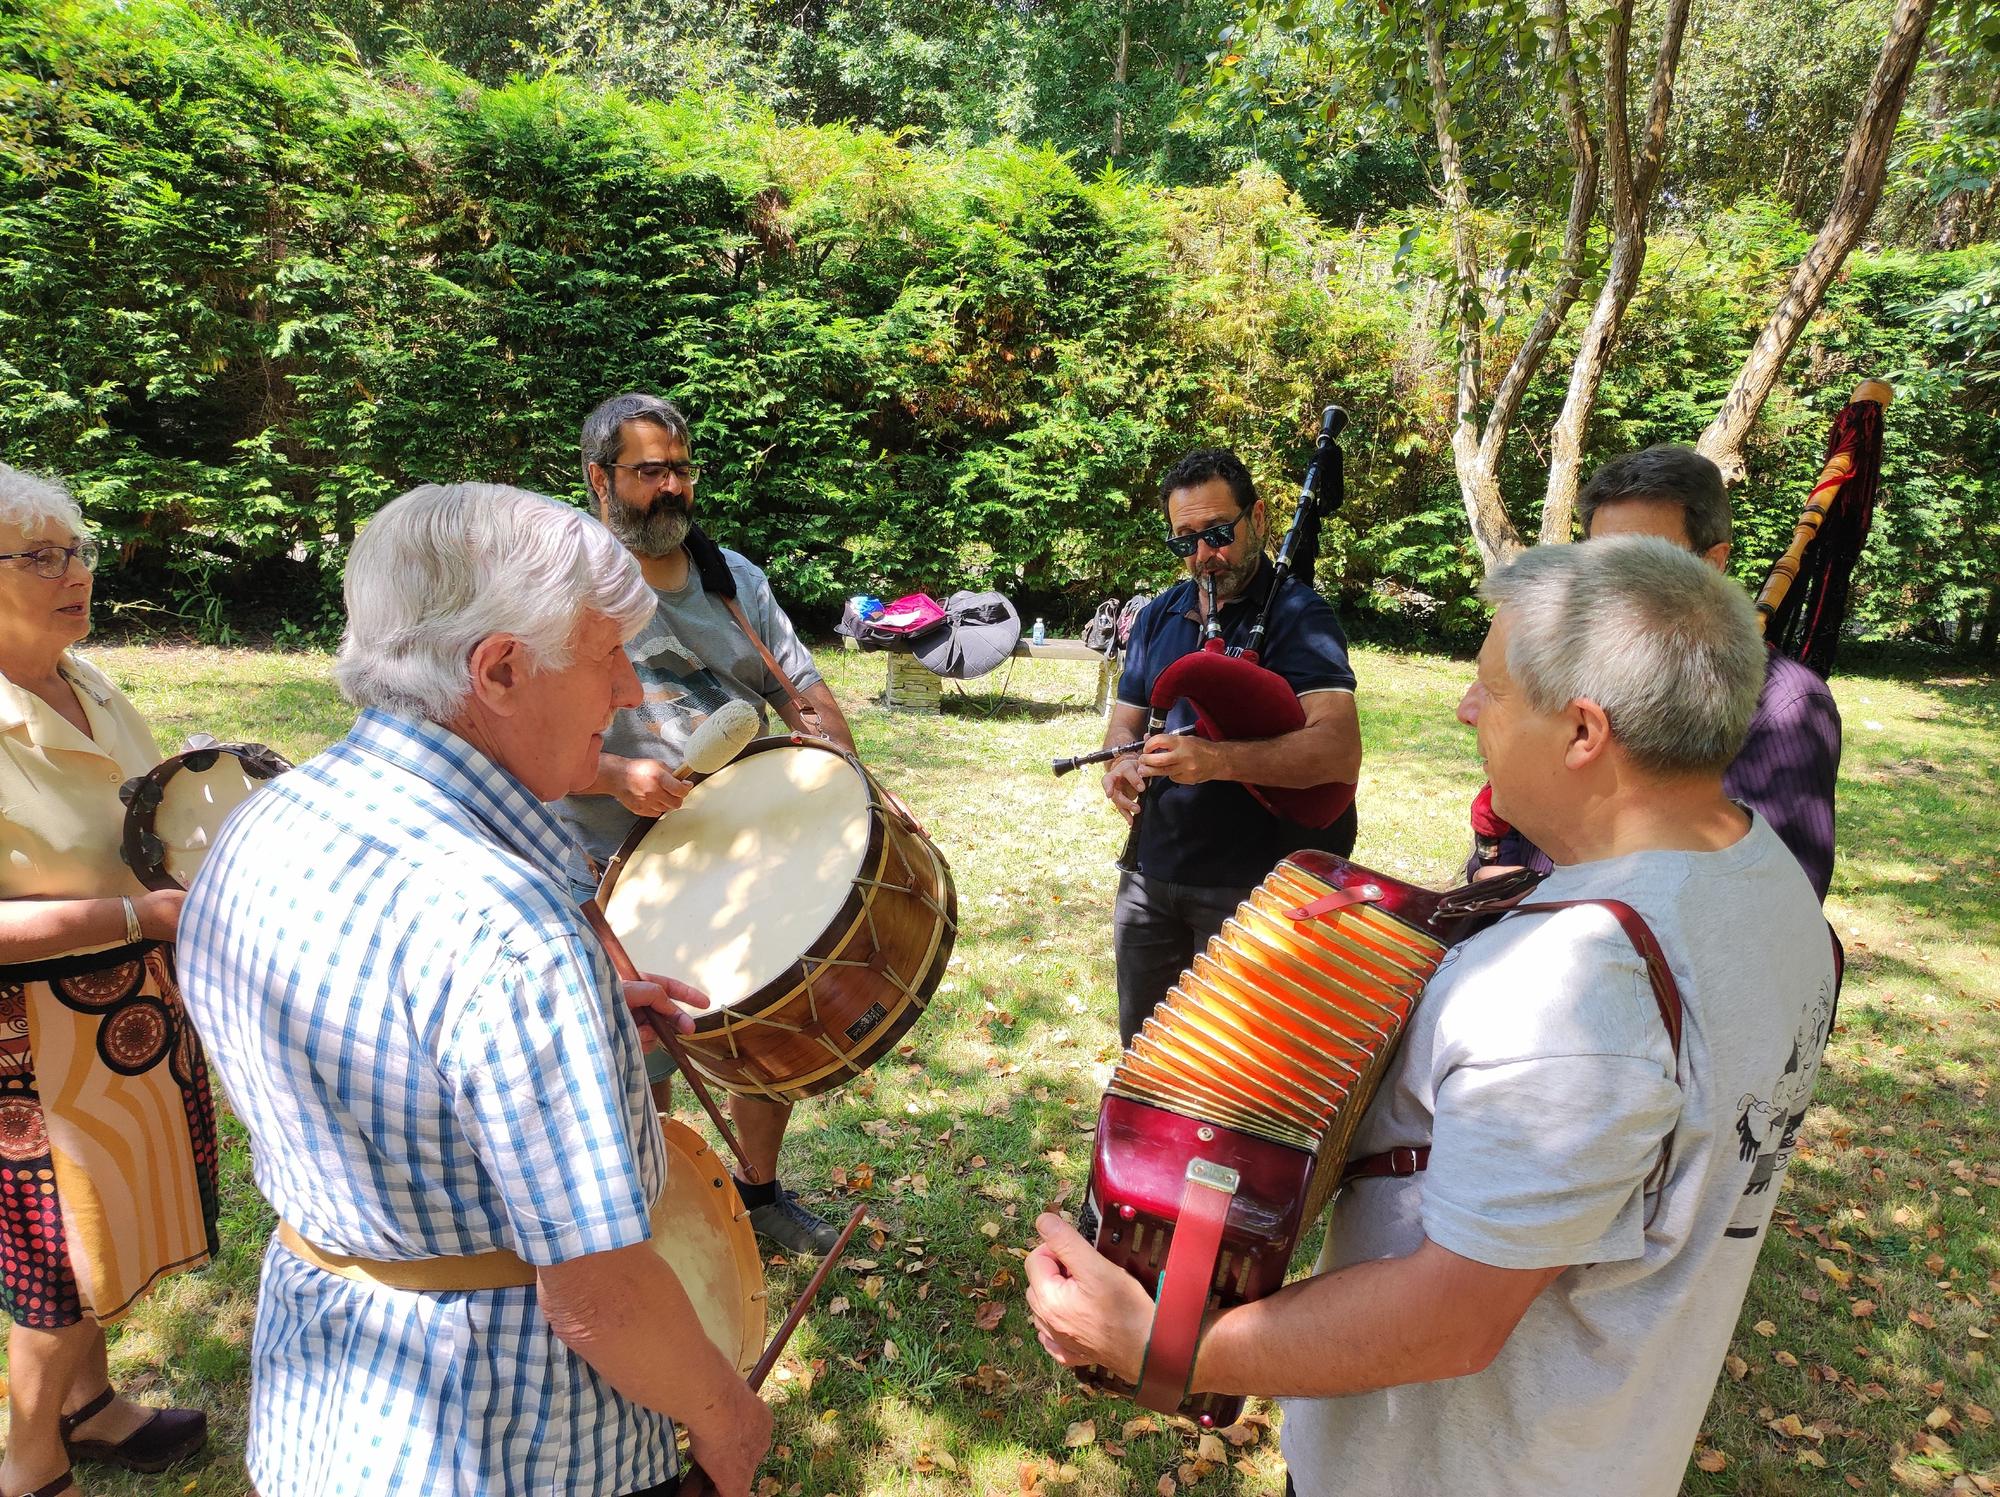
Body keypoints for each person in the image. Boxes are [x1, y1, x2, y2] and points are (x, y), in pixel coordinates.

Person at [1027, 536, 1838, 1497]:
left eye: (1490, 689)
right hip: (1605, 1451)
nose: (1465, 709)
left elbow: (1451, 1318)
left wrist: (1165, 1345)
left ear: (1585, 733)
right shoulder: (1771, 889)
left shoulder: (1569, 992)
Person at [176, 484, 772, 1497]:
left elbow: (356, 1036)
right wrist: (727, 1419)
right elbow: (598, 1296)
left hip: (328, 1399)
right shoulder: (508, 931)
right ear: (498, 670)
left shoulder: (267, 819)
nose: (628, 692)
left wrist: (564, 1018)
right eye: (605, 656)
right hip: (501, 1437)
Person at [560, 392, 857, 1256]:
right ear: (599, 479)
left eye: (680, 468)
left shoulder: (733, 582)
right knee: (646, 1051)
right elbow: (513, 741)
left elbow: (802, 695)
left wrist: (838, 764)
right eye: (648, 470)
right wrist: (616, 772)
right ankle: (657, 1211)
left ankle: (759, 1195)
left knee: (763, 1015)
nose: (671, 487)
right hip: (612, 863)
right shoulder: (567, 590)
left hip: (737, 844)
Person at [0, 464, 215, 1497]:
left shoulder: (87, 680)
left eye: (74, 551)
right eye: (37, 557)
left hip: (119, 1012)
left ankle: (89, 1409)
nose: (71, 573)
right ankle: (28, 1461)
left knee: (103, 1233)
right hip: (25, 1037)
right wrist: (141, 916)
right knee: (52, 1258)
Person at [1473, 444, 1841, 899]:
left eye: (1644, 560)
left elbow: (1764, 895)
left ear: (1713, 562)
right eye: (1601, 560)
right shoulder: (1576, 665)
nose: (1615, 583)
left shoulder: (1787, 703)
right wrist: (1489, 873)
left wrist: (1543, 899)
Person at [1100, 448, 1362, 1044]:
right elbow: (1126, 722)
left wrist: (1215, 762)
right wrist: (1119, 761)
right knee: (1145, 1053)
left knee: (1231, 1067)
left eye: (1218, 533)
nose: (1203, 555)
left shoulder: (1300, 616)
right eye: (1184, 540)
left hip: (1252, 883)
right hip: (1150, 874)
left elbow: (1338, 751)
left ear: (1259, 519)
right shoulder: (1159, 616)